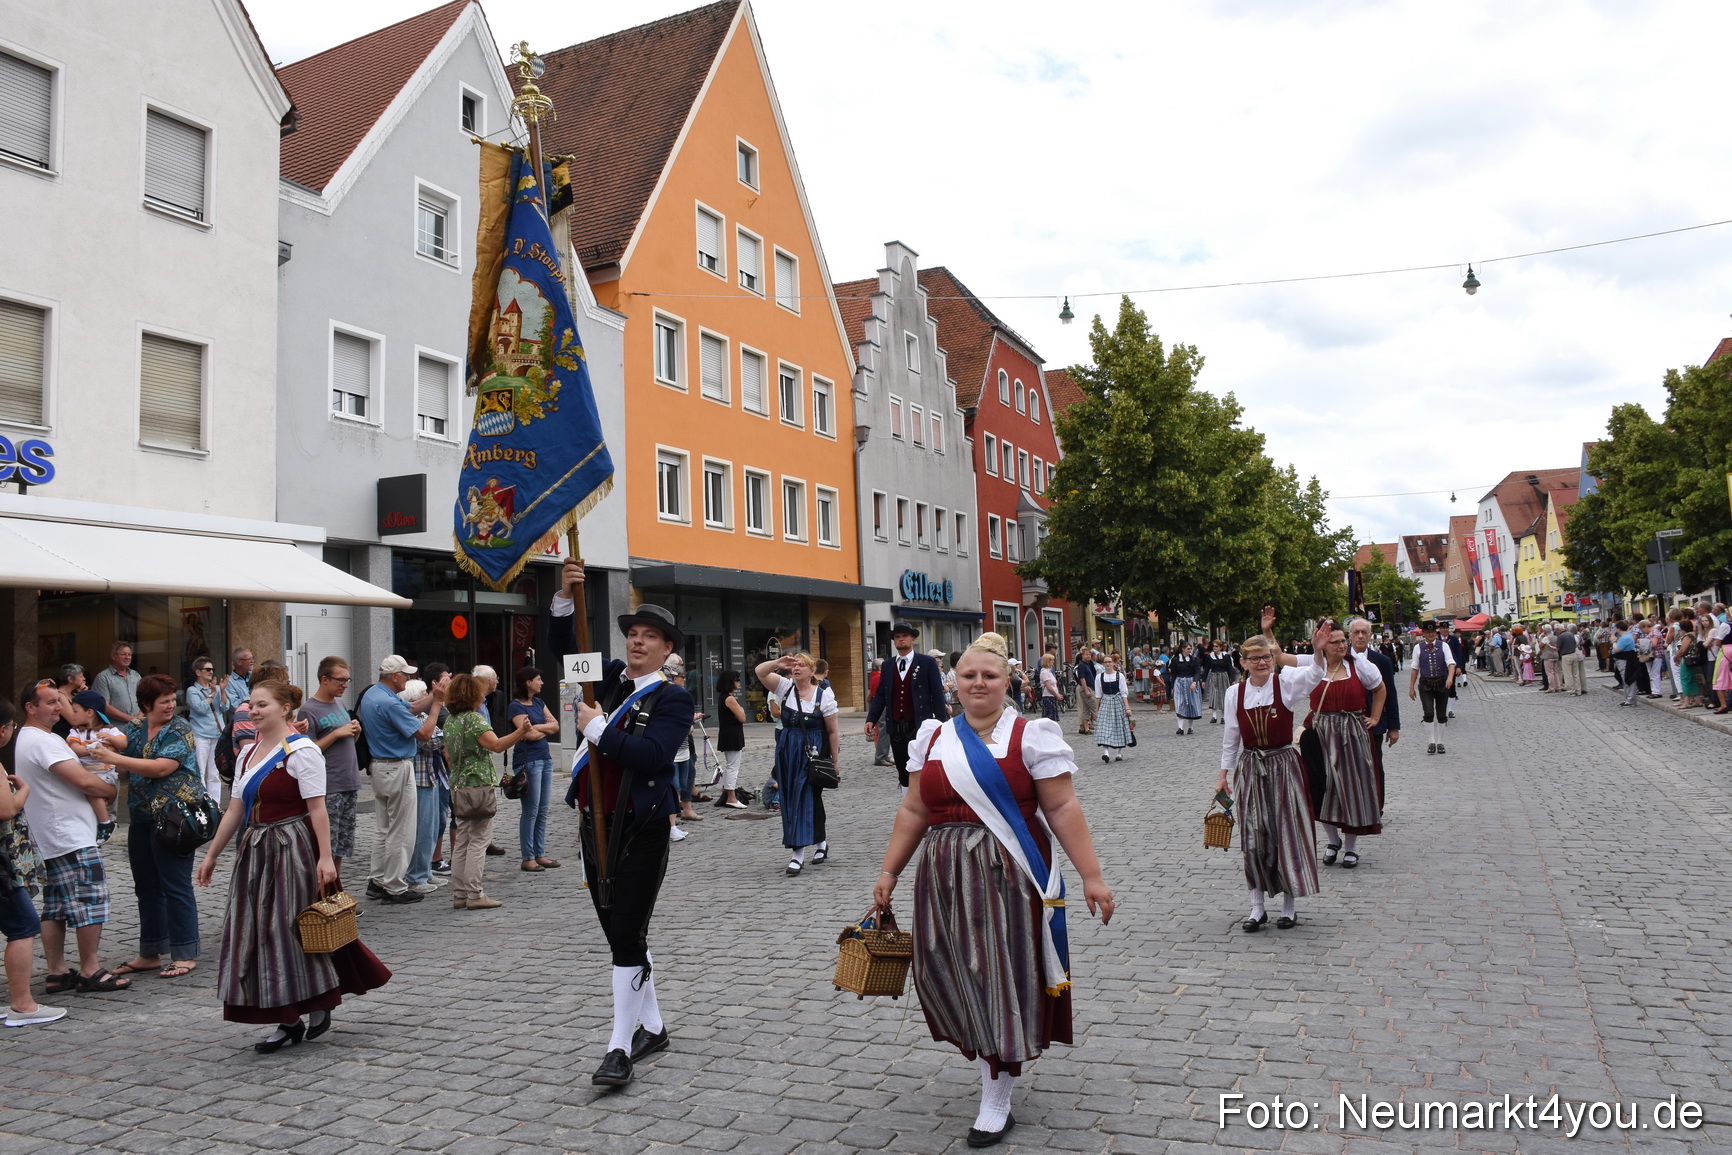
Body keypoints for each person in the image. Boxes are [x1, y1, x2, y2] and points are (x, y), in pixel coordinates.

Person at [871, 632, 1113, 1149]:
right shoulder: (934, 737)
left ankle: (996, 1087)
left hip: (1009, 875)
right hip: (943, 878)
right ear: (953, 683)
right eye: (968, 676)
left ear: (1008, 682)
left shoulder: (1031, 735)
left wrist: (1092, 875)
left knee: (998, 974)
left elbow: (1063, 809)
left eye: (990, 676)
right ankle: (987, 1058)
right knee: (951, 971)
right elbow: (915, 810)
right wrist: (890, 871)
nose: (978, 683)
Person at [554, 560, 693, 1089]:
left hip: (641, 825)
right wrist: (566, 598)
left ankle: (619, 1046)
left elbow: (655, 755)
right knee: (622, 930)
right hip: (596, 823)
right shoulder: (608, 680)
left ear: (666, 649)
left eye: (649, 636)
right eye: (632, 634)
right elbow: (567, 649)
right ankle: (653, 1026)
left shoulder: (672, 698)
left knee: (624, 933)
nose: (637, 643)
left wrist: (599, 729)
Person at [196, 680, 391, 1052]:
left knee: (287, 931)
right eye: (250, 705)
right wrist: (212, 854)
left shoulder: (301, 751)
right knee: (252, 931)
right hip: (254, 850)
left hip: (291, 849)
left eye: (262, 705)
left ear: (285, 708)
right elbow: (236, 809)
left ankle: (316, 1002)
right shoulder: (247, 754)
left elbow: (318, 810)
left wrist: (326, 858)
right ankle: (287, 1018)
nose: (253, 711)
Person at [14, 685, 129, 995]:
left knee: (56, 906)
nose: (57, 707)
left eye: (59, 702)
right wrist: (109, 791)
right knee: (90, 900)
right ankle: (90, 970)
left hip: (53, 834)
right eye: (50, 703)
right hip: (68, 835)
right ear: (30, 708)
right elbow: (81, 779)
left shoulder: (39, 738)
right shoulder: (40, 740)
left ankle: (57, 972)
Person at [89, 675, 204, 979]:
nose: (170, 705)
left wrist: (113, 756)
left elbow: (162, 767)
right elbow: (127, 754)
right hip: (142, 816)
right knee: (146, 887)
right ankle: (150, 952)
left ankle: (185, 952)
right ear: (145, 705)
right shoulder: (138, 727)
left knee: (176, 885)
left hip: (175, 817)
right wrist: (106, 745)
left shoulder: (180, 728)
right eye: (163, 700)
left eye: (171, 699)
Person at [1217, 632, 1326, 931]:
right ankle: (1257, 907)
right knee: (1253, 837)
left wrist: (1317, 651)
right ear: (1244, 663)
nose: (1262, 663)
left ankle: (1289, 908)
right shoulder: (1234, 694)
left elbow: (1317, 674)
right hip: (1251, 766)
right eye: (1255, 659)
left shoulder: (1286, 684)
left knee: (1286, 834)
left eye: (1267, 657)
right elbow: (1231, 737)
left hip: (1283, 765)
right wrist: (1223, 774)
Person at [1298, 622, 1386, 870]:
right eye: (1335, 641)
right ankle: (1333, 840)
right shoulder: (1313, 664)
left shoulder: (1359, 664)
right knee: (1321, 788)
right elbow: (1280, 658)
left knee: (1352, 789)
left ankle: (1350, 847)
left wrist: (1376, 718)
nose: (1342, 645)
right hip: (1321, 734)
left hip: (1351, 735)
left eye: (1341, 640)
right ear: (1323, 644)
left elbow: (1380, 689)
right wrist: (1269, 633)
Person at [441, 674, 532, 910]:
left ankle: (459, 894)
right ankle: (475, 893)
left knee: (462, 840)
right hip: (479, 785)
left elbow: (448, 756)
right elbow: (497, 745)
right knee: (479, 841)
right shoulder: (474, 720)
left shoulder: (451, 721)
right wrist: (521, 731)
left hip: (459, 785)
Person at [357, 656, 442, 904]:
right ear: (394, 676)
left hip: (381, 767)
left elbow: (411, 708)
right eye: (405, 674)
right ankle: (395, 885)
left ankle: (378, 879)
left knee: (383, 828)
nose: (409, 678)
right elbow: (425, 733)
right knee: (401, 831)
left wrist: (434, 695)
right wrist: (436, 704)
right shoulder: (389, 702)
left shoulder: (373, 693)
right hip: (396, 767)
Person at [0, 697, 64, 1027]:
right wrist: (22, 789)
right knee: (24, 926)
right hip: (3, 868)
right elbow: (6, 809)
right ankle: (22, 1004)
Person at [757, 651, 841, 876]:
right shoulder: (785, 688)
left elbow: (832, 731)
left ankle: (798, 854)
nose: (796, 669)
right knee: (791, 798)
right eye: (794, 666)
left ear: (812, 671)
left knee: (804, 797)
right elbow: (759, 672)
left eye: (802, 666)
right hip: (786, 751)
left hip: (812, 752)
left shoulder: (823, 696)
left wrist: (835, 761)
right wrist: (778, 662)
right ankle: (820, 842)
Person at [864, 623, 947, 797]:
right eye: (897, 637)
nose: (901, 639)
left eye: (904, 636)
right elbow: (880, 695)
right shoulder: (887, 666)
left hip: (919, 725)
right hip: (896, 727)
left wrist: (942, 724)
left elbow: (937, 694)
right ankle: (907, 801)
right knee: (903, 768)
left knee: (923, 766)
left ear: (912, 638)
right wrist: (871, 718)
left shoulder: (926, 662)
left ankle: (926, 799)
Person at [299, 657, 361, 877]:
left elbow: (344, 743)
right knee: (326, 845)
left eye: (347, 680)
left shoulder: (340, 703)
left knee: (342, 845)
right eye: (340, 680)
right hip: (329, 785)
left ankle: (336, 892)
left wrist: (355, 732)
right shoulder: (309, 710)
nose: (345, 684)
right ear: (325, 679)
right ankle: (323, 896)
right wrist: (336, 733)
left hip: (349, 782)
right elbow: (307, 750)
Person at [508, 666, 562, 872]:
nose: (542, 683)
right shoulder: (515, 706)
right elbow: (527, 735)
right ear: (527, 682)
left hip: (545, 759)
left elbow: (555, 725)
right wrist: (541, 730)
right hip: (528, 761)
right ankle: (527, 856)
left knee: (543, 810)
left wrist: (536, 728)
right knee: (531, 810)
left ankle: (540, 853)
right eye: (538, 679)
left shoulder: (539, 702)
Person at [405, 670, 453, 893]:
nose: (429, 697)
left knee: (433, 826)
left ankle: (425, 871)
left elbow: (442, 736)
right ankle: (416, 876)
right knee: (422, 828)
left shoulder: (425, 717)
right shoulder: (413, 718)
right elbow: (430, 742)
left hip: (433, 775)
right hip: (420, 778)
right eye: (424, 693)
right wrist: (441, 736)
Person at [60, 690, 123, 844]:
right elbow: (74, 748)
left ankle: (105, 822)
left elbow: (123, 744)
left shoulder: (109, 730)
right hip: (86, 771)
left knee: (92, 792)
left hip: (105, 772)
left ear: (89, 712)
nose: (72, 715)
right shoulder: (75, 732)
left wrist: (111, 739)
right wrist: (93, 748)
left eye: (75, 711)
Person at [1406, 621, 1459, 754]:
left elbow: (1451, 663)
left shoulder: (1444, 646)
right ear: (1423, 634)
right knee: (1428, 712)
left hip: (1441, 682)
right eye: (1428, 632)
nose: (1430, 634)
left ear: (1436, 633)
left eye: (1433, 632)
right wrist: (1411, 687)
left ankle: (1440, 742)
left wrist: (1450, 678)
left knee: (1441, 714)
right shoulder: (1418, 648)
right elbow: (1414, 668)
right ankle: (1431, 741)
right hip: (1426, 683)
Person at [184, 658, 226, 800]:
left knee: (214, 773)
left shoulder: (217, 689)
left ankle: (216, 805)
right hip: (200, 735)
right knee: (200, 772)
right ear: (198, 672)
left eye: (212, 669)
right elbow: (200, 708)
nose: (211, 672)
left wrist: (223, 691)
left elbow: (225, 707)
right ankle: (202, 803)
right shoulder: (192, 690)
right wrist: (213, 693)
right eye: (207, 669)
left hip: (217, 734)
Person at [713, 671, 748, 809]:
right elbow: (742, 717)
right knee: (733, 767)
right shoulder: (729, 699)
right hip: (732, 735)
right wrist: (741, 710)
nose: (739, 682)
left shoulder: (724, 697)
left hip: (729, 734)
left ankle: (727, 794)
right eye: (737, 680)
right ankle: (731, 797)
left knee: (731, 766)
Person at [1091, 654, 1132, 761]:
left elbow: (1124, 693)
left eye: (1109, 662)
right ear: (1103, 664)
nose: (1108, 664)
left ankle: (1119, 752)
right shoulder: (1099, 677)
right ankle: (1106, 752)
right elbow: (1098, 695)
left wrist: (1127, 707)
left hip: (1117, 702)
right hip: (1105, 702)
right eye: (1106, 662)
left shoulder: (1120, 676)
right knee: (1104, 727)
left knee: (1119, 726)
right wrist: (1096, 710)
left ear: (1113, 663)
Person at [91, 642, 142, 725]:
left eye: (129, 654)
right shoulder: (103, 678)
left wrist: (139, 718)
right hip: (116, 728)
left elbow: (145, 699)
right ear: (113, 656)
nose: (127, 657)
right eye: (124, 654)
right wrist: (132, 719)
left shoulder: (135, 675)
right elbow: (104, 706)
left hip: (138, 726)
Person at [1169, 644, 1202, 735]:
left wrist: (1195, 682)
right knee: (1180, 704)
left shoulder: (1194, 660)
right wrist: (1172, 687)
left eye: (1191, 648)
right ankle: (1180, 727)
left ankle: (1190, 727)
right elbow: (1174, 674)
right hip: (1179, 683)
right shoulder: (1176, 660)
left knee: (1191, 704)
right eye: (1188, 648)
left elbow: (1197, 672)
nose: (1190, 650)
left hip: (1191, 683)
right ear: (1183, 649)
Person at [1203, 641, 1234, 724]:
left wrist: (1233, 679)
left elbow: (1229, 668)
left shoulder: (1225, 656)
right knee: (1214, 695)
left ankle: (1223, 716)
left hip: (1223, 676)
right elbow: (1206, 669)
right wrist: (1204, 680)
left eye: (1216, 646)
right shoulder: (1210, 657)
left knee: (1223, 695)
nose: (1215, 648)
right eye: (1214, 646)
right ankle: (1214, 716)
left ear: (1220, 647)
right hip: (1214, 676)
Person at [221, 648, 255, 715]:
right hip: (241, 722)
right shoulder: (229, 682)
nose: (252, 661)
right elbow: (234, 706)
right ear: (239, 662)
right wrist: (254, 700)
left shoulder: (254, 677)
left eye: (253, 658)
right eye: (249, 659)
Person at [1556, 624, 1586, 695]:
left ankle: (1571, 690)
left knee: (1568, 674)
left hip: (1566, 655)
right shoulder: (1573, 635)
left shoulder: (1561, 636)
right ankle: (1578, 690)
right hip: (1574, 654)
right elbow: (1578, 643)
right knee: (1576, 674)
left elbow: (1558, 648)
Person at [1073, 649, 1097, 734]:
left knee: (1086, 709)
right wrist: (1086, 690)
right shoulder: (1081, 665)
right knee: (1094, 707)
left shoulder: (1087, 664)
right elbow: (1082, 679)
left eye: (1089, 655)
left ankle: (1086, 728)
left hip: (1089, 687)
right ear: (1082, 656)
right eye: (1086, 654)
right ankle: (1103, 726)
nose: (1088, 656)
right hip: (1086, 688)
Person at [1038, 654, 1061, 722]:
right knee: (1049, 718)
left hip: (1052, 696)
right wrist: (1057, 695)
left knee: (1053, 718)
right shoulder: (1044, 672)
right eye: (1051, 660)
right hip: (1048, 696)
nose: (1053, 662)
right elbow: (1049, 687)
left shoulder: (1049, 671)